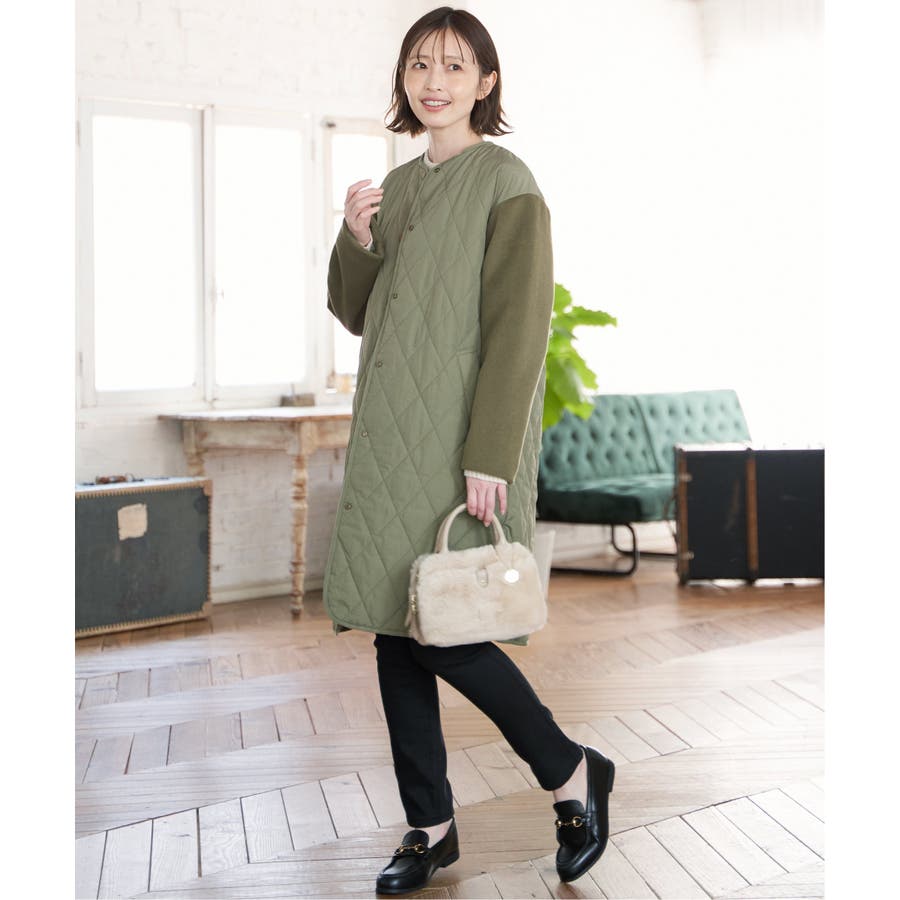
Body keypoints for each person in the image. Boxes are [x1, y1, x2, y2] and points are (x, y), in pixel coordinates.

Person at [323, 6, 615, 894]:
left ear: (486, 82)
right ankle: (431, 827)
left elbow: (520, 329)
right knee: (393, 632)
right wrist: (356, 239)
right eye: (420, 64)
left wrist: (490, 451)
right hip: (388, 438)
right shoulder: (397, 187)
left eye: (455, 65)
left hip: (459, 442)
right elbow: (356, 312)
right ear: (403, 80)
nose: (434, 81)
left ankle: (571, 772)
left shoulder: (508, 183)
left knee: (447, 635)